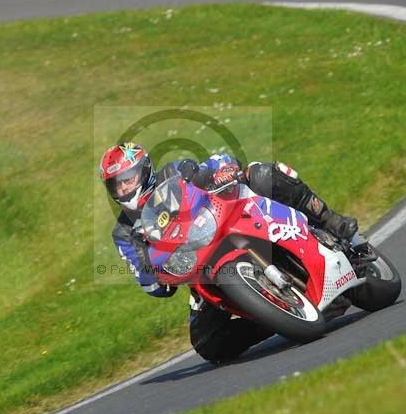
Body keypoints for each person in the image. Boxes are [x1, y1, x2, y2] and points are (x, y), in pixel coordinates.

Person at [100, 142, 358, 363]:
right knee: (205, 343)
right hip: (197, 268)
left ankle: (330, 220)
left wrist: (223, 172)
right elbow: (152, 283)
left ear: (144, 170)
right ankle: (271, 316)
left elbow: (220, 163)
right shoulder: (123, 233)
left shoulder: (175, 172)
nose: (123, 191)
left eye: (127, 181)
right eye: (116, 186)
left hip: (228, 222)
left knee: (261, 174)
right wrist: (154, 273)